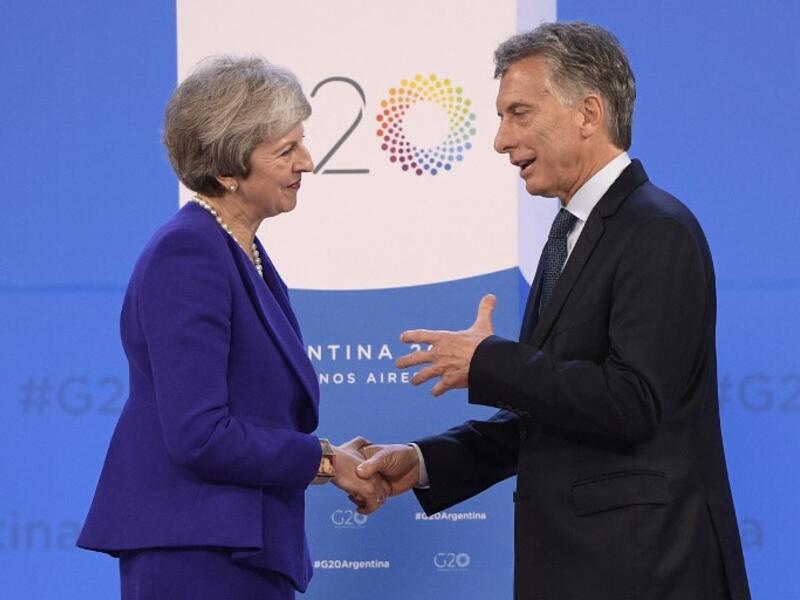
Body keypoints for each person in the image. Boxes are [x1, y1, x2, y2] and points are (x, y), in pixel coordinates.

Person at [357, 22, 751, 599]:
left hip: (645, 572)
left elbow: (633, 402)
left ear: (588, 113)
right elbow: (550, 416)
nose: (500, 140)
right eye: (500, 118)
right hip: (585, 571)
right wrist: (423, 461)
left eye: (518, 113)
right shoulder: (569, 233)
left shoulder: (656, 229)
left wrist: (491, 362)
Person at [77, 56, 387, 600]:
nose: (307, 162)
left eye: (301, 143)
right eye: (286, 151)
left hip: (237, 543)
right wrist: (323, 460)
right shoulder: (189, 252)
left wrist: (328, 456)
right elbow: (200, 435)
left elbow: (250, 412)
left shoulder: (240, 253)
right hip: (198, 551)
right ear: (227, 170)